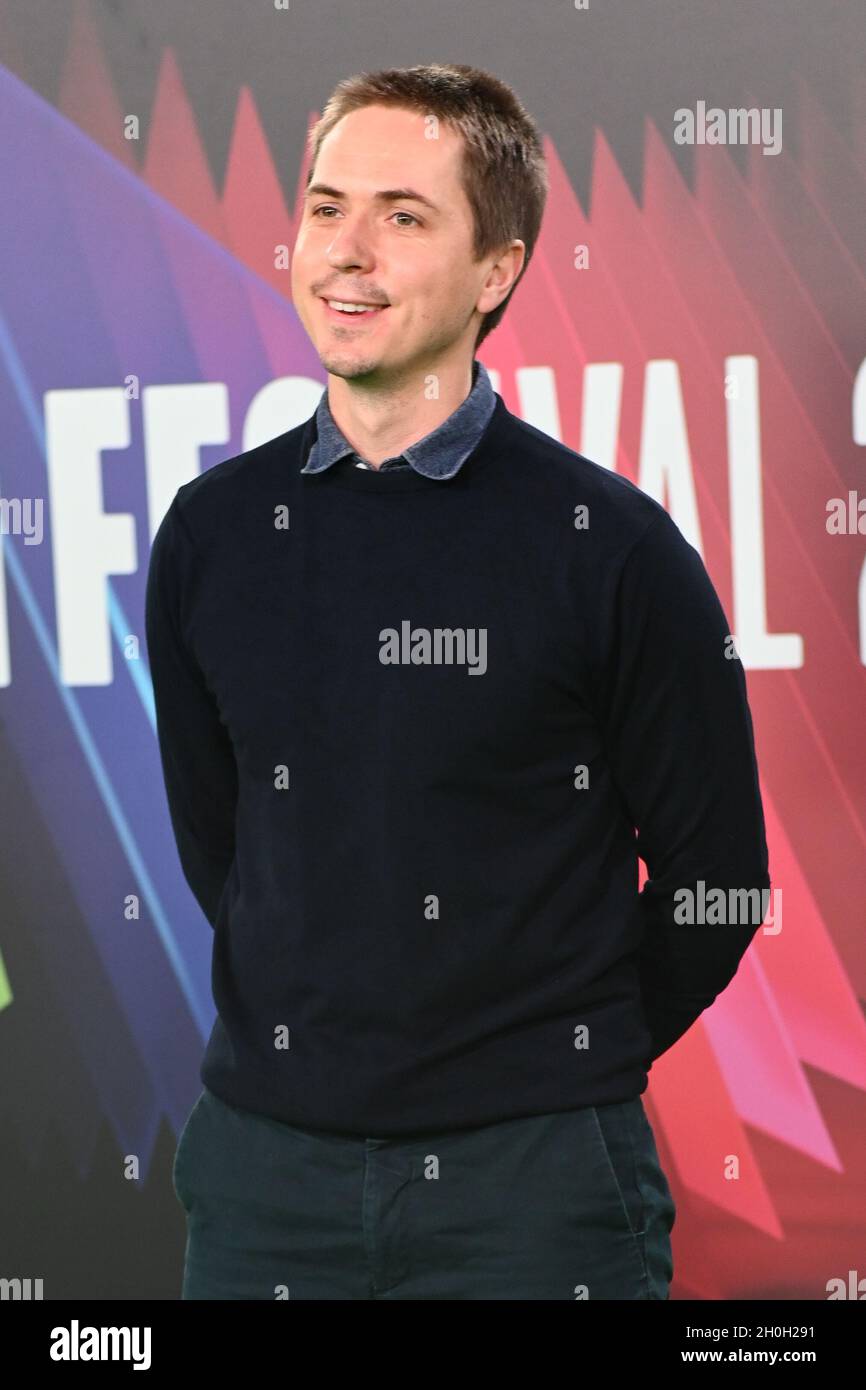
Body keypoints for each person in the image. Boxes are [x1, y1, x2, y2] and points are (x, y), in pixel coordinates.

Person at [145, 63, 770, 1300]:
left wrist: (547, 1065)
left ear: (498, 271)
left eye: (403, 214)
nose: (346, 251)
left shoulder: (613, 550)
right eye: (325, 208)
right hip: (268, 1191)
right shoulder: (211, 535)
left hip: (536, 1201)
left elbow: (718, 884)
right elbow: (226, 847)